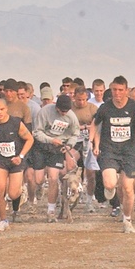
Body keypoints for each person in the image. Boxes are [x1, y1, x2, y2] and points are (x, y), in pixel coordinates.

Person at [92, 76, 135, 233]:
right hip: (109, 149)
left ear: (126, 91)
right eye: (114, 90)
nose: (117, 93)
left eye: (120, 90)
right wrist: (95, 144)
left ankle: (127, 220)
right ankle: (110, 190)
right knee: (110, 184)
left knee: (128, 188)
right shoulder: (105, 107)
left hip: (129, 151)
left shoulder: (134, 108)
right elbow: (95, 125)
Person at [0, 96, 34, 230]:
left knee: (13, 193)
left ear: (7, 109)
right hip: (1, 160)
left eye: (2, 109)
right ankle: (3, 220)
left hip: (16, 160)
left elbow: (30, 139)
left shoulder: (15, 123)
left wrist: (20, 156)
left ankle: (21, 191)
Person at [33, 94, 81, 222]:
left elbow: (75, 133)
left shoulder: (71, 117)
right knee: (38, 179)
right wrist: (50, 140)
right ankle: (39, 187)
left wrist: (69, 145)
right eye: (62, 111)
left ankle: (51, 211)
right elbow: (37, 132)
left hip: (57, 148)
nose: (64, 113)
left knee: (53, 178)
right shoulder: (45, 112)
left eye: (67, 111)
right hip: (42, 146)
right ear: (57, 107)